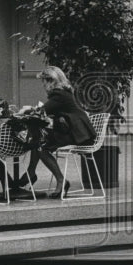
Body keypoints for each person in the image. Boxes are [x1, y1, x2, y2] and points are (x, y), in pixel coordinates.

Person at [15, 66, 95, 198]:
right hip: (77, 131)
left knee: (41, 146)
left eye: (43, 82)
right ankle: (31, 172)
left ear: (51, 81)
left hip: (78, 134)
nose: (43, 85)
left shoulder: (59, 94)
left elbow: (42, 111)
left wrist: (26, 110)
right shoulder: (64, 92)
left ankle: (60, 180)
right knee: (38, 138)